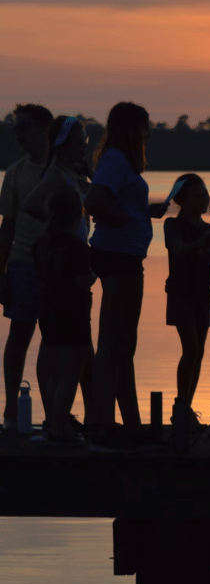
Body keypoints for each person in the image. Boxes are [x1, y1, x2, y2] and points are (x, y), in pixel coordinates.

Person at [83, 102, 167, 452]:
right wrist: (126, 222)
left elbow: (115, 201)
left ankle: (129, 424)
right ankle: (101, 422)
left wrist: (143, 213)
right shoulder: (116, 159)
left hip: (125, 257)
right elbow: (96, 200)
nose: (148, 134)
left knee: (123, 344)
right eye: (145, 127)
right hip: (117, 257)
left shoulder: (119, 163)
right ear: (133, 129)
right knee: (115, 342)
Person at [20, 115, 95, 430]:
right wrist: (61, 228)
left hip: (69, 267)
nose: (85, 146)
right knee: (62, 353)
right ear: (65, 145)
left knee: (74, 352)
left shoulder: (71, 175)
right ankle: (57, 421)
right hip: (67, 274)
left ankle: (86, 418)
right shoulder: (55, 176)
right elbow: (30, 204)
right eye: (80, 141)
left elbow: (97, 199)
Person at [0, 103, 53, 434]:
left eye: (25, 127)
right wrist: (0, 272)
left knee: (57, 338)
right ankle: (9, 411)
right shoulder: (16, 171)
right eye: (15, 128)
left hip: (58, 268)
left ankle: (54, 414)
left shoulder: (64, 169)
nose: (18, 134)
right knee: (19, 335)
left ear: (44, 130)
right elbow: (7, 226)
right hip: (22, 263)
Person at [163, 173, 210, 444]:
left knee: (198, 353)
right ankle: (180, 408)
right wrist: (207, 240)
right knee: (190, 349)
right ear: (182, 201)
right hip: (181, 294)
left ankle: (186, 408)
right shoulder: (172, 225)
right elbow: (177, 250)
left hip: (204, 296)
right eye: (197, 195)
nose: (204, 199)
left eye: (205, 194)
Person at [32, 186, 94, 446]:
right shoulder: (78, 248)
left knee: (56, 374)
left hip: (47, 312)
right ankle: (59, 429)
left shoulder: (40, 244)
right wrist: (96, 271)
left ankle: (54, 425)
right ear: (77, 215)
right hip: (73, 314)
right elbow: (83, 281)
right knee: (70, 374)